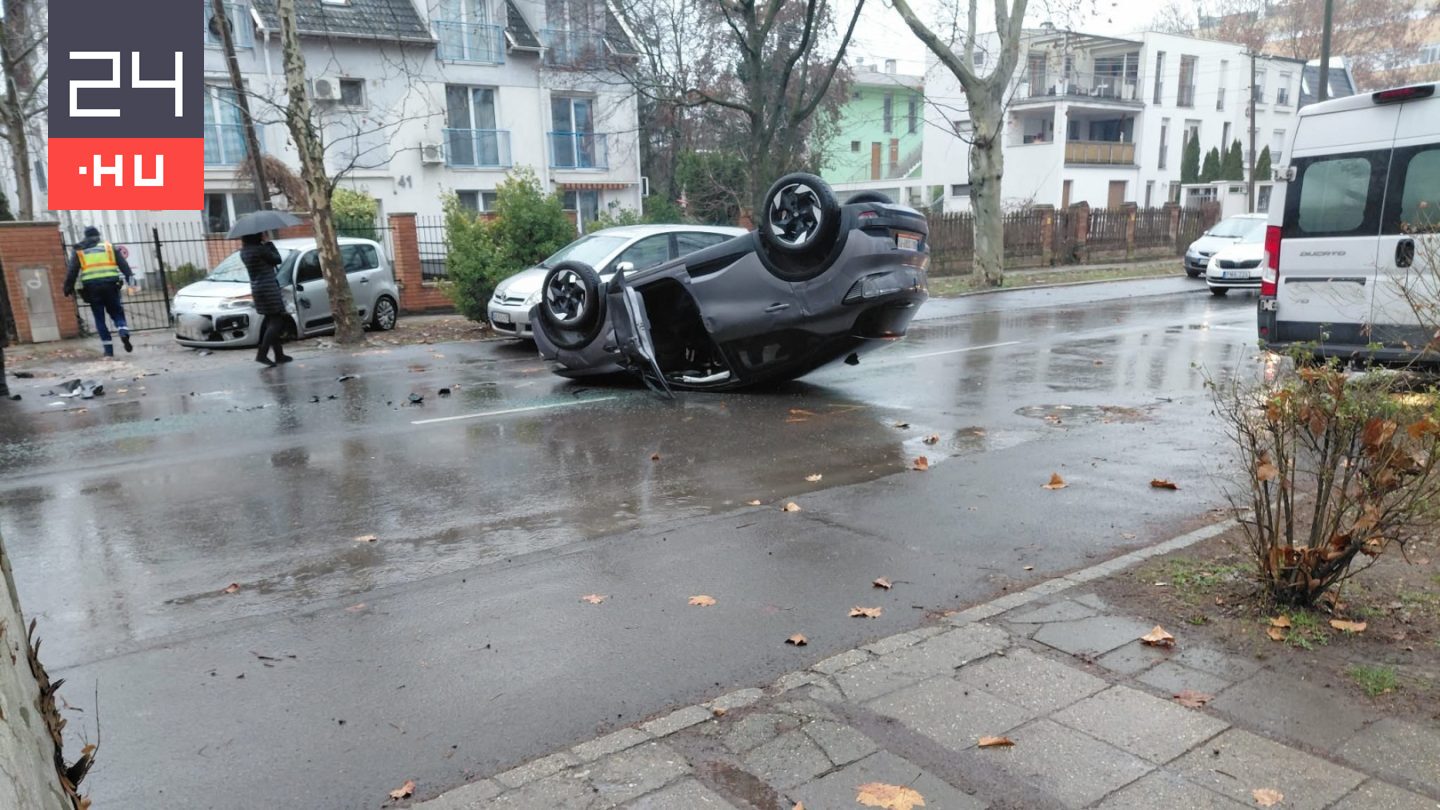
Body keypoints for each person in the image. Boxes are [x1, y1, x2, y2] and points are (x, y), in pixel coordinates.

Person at [63, 225, 134, 357]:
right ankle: (123, 331)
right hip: (111, 285)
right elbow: (123, 264)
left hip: (92, 288)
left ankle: (108, 350)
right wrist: (130, 279)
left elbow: (72, 270)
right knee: (117, 312)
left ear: (86, 236)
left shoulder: (79, 250)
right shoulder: (108, 247)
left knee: (99, 318)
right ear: (98, 235)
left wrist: (68, 287)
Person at [241, 232, 292, 367]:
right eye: (262, 234)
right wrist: (270, 244)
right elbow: (277, 259)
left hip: (257, 288)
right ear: (256, 236)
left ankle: (279, 355)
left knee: (271, 321)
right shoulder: (261, 249)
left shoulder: (244, 251)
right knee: (276, 322)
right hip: (268, 288)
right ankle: (262, 354)